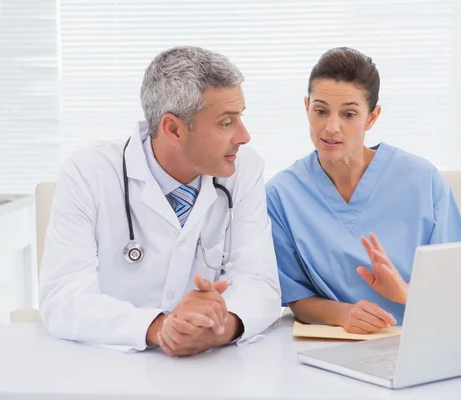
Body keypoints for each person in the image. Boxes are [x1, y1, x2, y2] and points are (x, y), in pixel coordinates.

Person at [39, 46, 281, 356]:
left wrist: (221, 326)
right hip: (109, 367)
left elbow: (260, 283)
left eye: (240, 118)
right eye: (226, 123)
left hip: (211, 370)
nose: (244, 136)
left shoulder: (244, 168)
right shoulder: (89, 173)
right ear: (174, 129)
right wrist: (159, 328)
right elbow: (63, 297)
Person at [266, 47, 461, 334]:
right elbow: (295, 295)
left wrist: (404, 293)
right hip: (332, 343)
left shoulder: (422, 181)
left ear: (372, 118)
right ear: (306, 107)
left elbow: (459, 284)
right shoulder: (281, 194)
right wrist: (343, 314)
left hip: (419, 336)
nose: (331, 127)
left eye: (349, 114)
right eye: (321, 111)